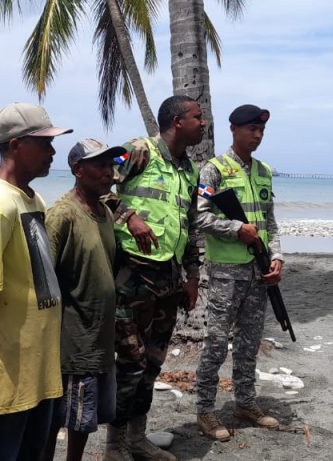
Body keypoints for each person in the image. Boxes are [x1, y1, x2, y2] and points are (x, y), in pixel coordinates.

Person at [0, 102, 72, 461]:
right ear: (15, 145)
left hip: (37, 360)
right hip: (7, 364)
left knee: (32, 451)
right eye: (44, 143)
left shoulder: (31, 197)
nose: (53, 152)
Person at [104, 95, 206, 461]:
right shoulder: (137, 150)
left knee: (152, 363)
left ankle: (137, 439)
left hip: (169, 280)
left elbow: (191, 225)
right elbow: (96, 182)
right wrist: (127, 215)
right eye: (198, 117)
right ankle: (114, 446)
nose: (204, 123)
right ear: (178, 122)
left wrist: (192, 275)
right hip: (131, 277)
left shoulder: (189, 170)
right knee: (129, 363)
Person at [194, 104, 283, 441]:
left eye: (261, 131)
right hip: (227, 272)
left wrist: (277, 258)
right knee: (216, 343)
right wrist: (235, 229)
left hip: (258, 270)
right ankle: (205, 410)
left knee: (249, 342)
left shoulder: (263, 171)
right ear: (234, 130)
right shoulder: (213, 171)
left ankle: (246, 402)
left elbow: (270, 222)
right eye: (251, 130)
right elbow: (200, 217)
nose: (257, 136)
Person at [42, 139, 126, 461]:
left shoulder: (104, 211)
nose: (109, 173)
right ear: (78, 170)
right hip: (74, 340)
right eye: (100, 166)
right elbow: (44, 278)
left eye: (110, 165)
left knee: (85, 420)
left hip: (101, 337)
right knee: (63, 416)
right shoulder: (63, 215)